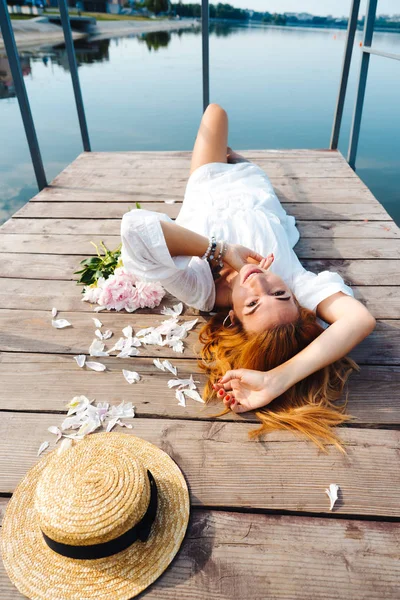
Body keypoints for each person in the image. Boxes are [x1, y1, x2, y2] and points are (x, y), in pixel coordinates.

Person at [121, 103, 376, 453]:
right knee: (219, 119)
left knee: (215, 114)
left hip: (209, 181)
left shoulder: (201, 288)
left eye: (254, 304)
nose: (262, 283)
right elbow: (360, 319)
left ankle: (226, 156)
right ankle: (235, 158)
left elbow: (135, 229)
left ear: (233, 318)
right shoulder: (294, 280)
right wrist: (278, 378)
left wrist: (219, 251)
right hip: (253, 185)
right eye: (281, 295)